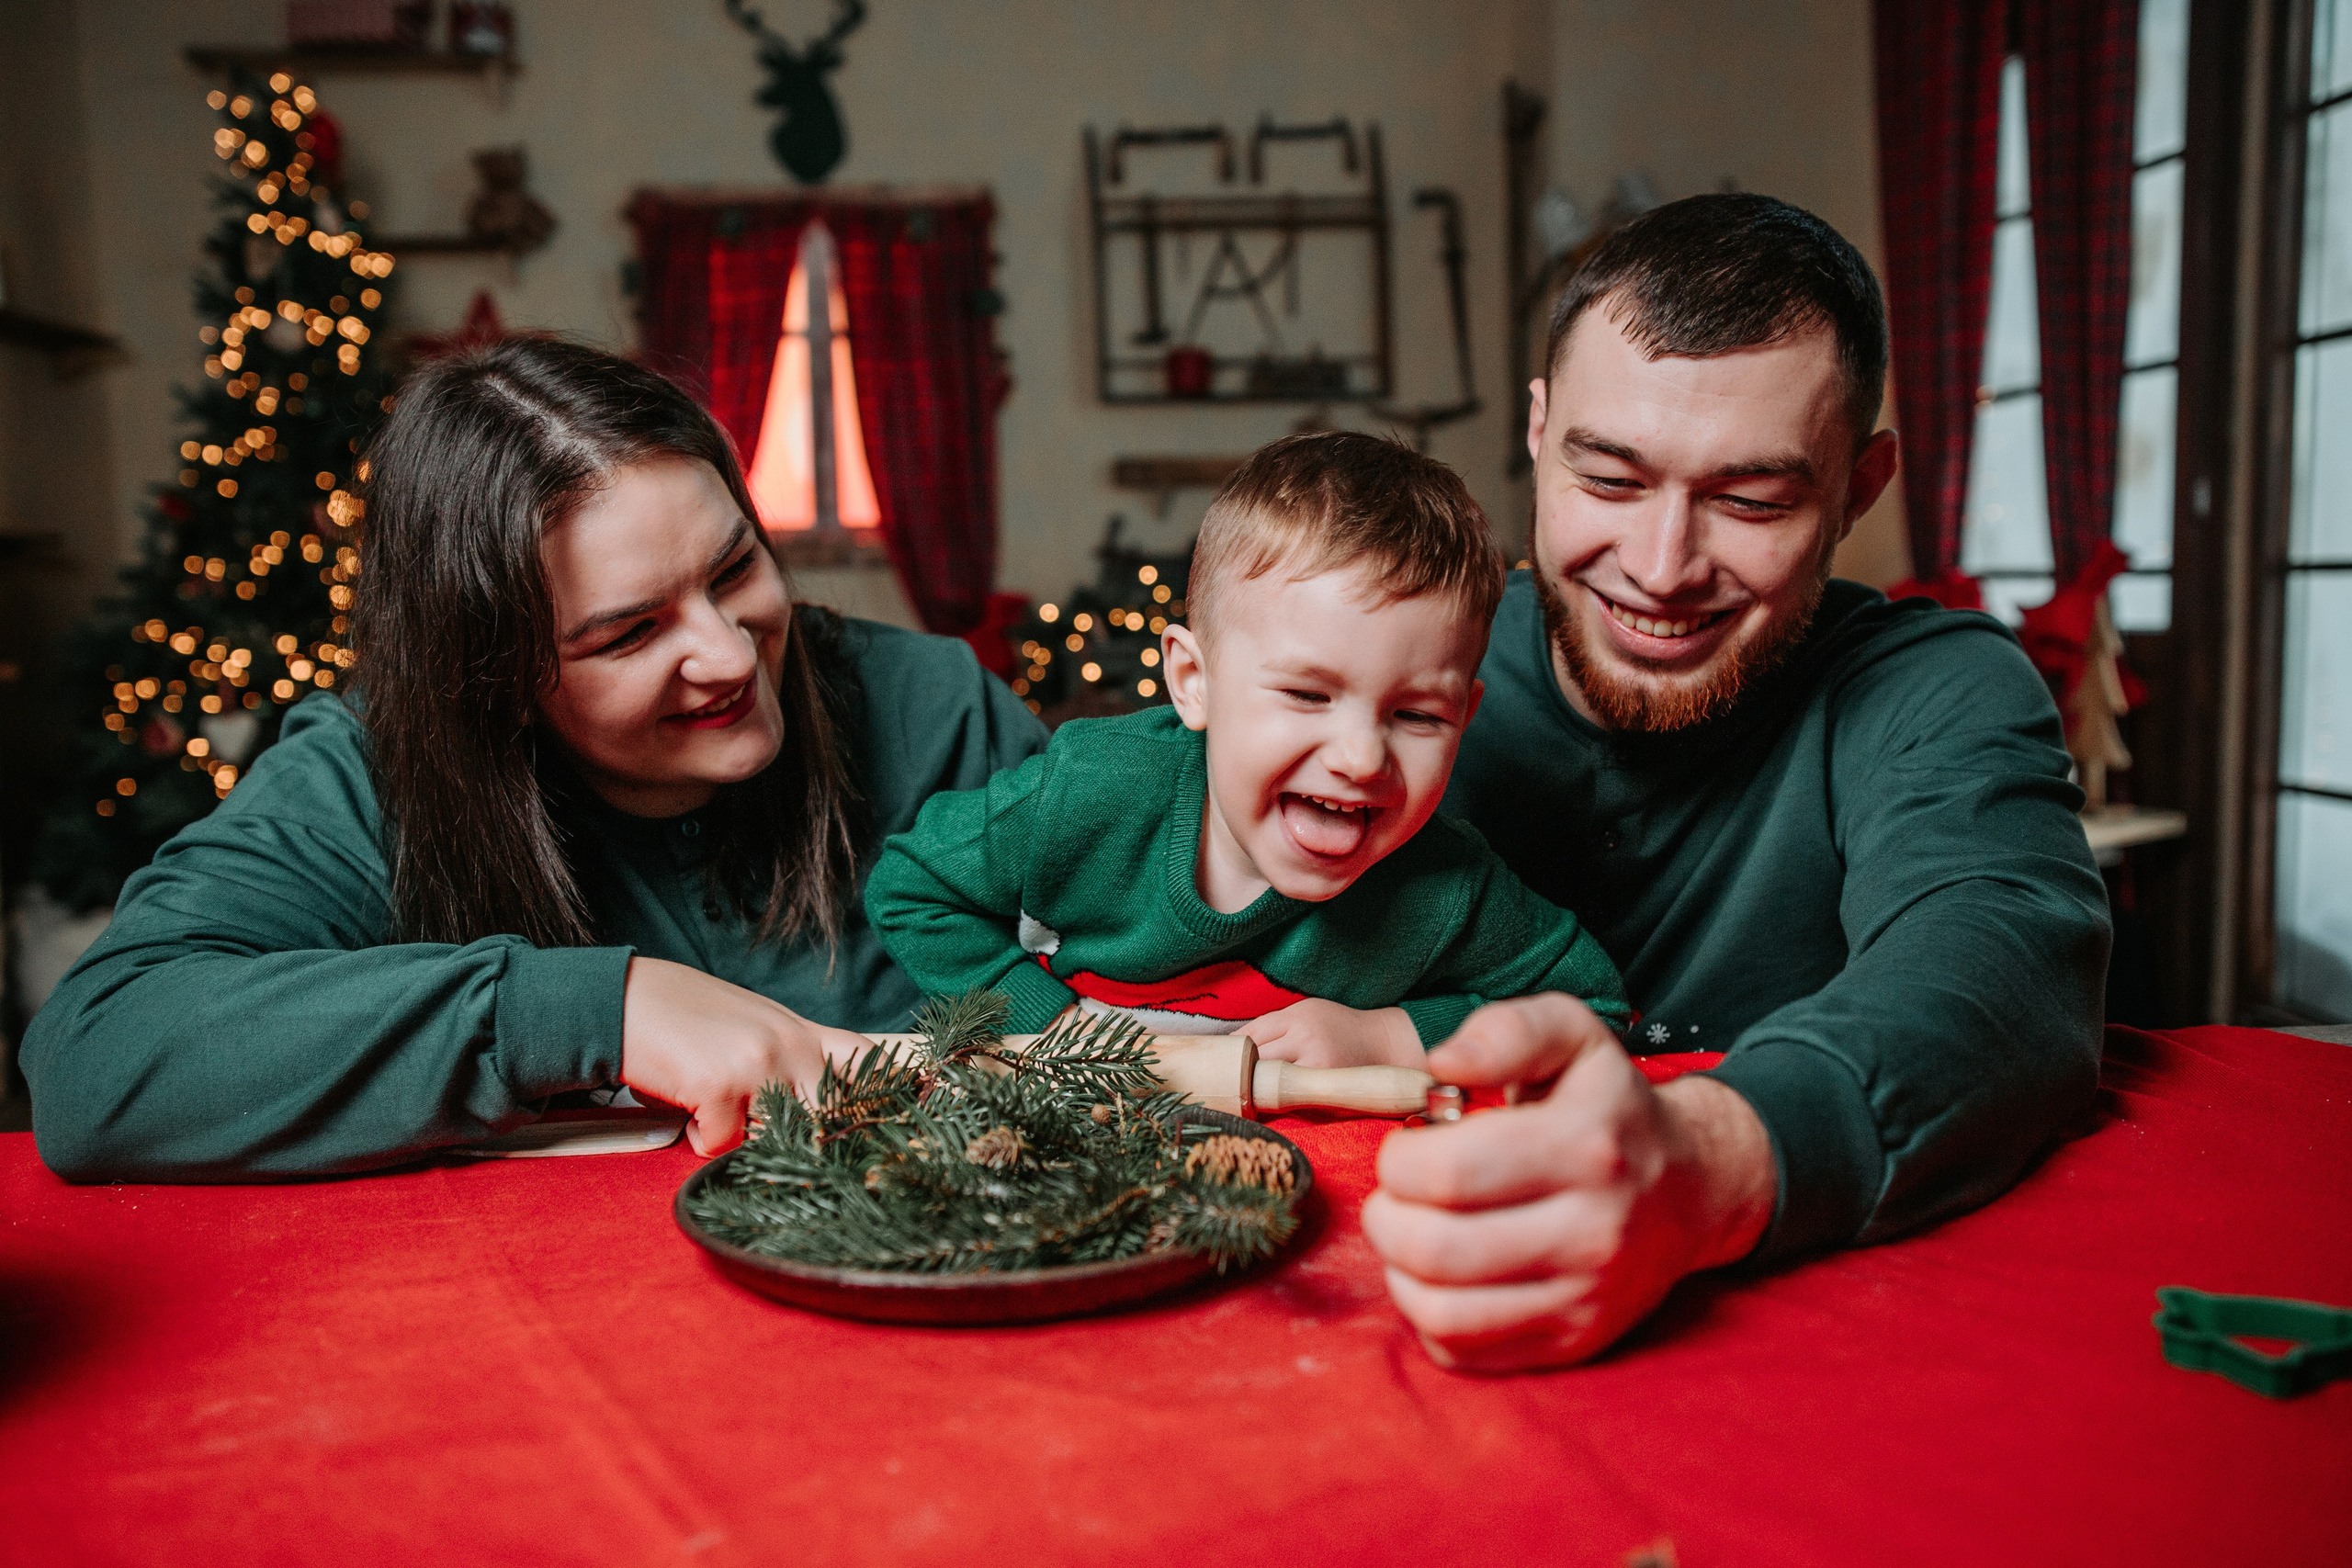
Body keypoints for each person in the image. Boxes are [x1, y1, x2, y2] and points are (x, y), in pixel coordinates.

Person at [1362, 194, 2110, 1371]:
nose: (1659, 571)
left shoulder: (1935, 685)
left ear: (1861, 487)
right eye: (1608, 480)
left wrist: (1708, 1161)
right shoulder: (1392, 662)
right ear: (1537, 428)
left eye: (1752, 501)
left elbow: (2000, 962)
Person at [22, 339, 1046, 1178]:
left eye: (734, 567)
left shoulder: (932, 707)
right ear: (491, 674)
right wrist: (595, 1009)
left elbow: (1155, 989)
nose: (731, 655)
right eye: (629, 633)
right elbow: (96, 1060)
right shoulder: (366, 781)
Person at [865, 433, 1628, 1066]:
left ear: (1466, 715)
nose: (1362, 758)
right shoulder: (1091, 792)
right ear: (1193, 681)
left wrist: (1390, 1035)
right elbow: (910, 888)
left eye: (1417, 714)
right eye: (1307, 694)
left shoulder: (1442, 885)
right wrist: (1049, 1025)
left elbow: (1594, 1005)